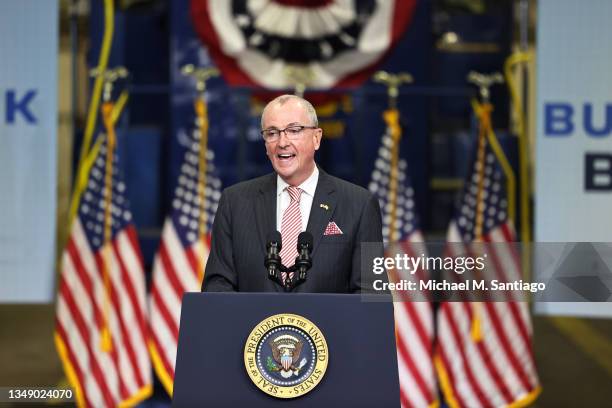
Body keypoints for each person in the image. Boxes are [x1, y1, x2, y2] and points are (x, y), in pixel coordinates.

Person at [201, 94, 383, 293]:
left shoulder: (360, 205)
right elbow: (217, 287)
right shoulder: (234, 202)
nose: (282, 142)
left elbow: (371, 293)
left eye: (294, 130)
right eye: (272, 133)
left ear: (316, 138)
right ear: (265, 145)